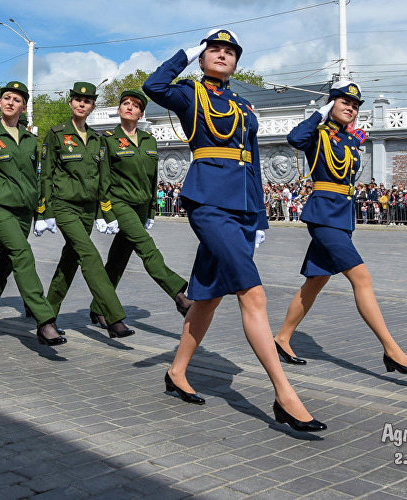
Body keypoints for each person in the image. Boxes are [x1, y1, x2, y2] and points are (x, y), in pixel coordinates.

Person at [144, 29, 325, 431]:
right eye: (215, 50)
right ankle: (284, 394)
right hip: (208, 202)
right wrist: (186, 54)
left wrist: (259, 216)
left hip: (242, 206)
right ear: (203, 57)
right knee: (252, 292)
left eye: (230, 52)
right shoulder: (190, 94)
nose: (222, 55)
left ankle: (176, 372)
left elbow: (253, 160)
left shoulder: (243, 105)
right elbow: (153, 85)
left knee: (206, 296)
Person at [274, 80, 407, 379]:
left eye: (355, 105)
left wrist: (351, 137)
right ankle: (391, 349)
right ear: (332, 104)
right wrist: (320, 114)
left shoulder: (349, 140)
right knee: (362, 278)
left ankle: (281, 338)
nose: (351, 107)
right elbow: (294, 138)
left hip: (341, 217)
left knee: (315, 283)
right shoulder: (318, 134)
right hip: (323, 216)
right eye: (344, 102)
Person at [88, 89, 192, 328]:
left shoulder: (149, 141)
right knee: (147, 248)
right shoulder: (108, 140)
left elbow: (152, 177)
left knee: (117, 260)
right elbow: (102, 178)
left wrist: (151, 210)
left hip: (140, 206)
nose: (129, 107)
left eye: (135, 105)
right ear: (118, 110)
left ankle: (98, 306)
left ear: (141, 113)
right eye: (125, 103)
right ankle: (178, 295)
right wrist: (104, 212)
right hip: (120, 204)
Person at [39, 81, 135, 339]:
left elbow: (104, 179)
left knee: (69, 261)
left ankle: (46, 318)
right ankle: (114, 317)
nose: (82, 104)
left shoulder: (97, 139)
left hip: (88, 210)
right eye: (78, 100)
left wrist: (106, 213)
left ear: (93, 106)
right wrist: (43, 211)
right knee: (89, 256)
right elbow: (45, 175)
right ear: (70, 102)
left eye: (88, 101)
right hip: (65, 207)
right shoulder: (56, 134)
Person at [0, 81, 65, 345]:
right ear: (0, 103)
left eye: (16, 99)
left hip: (24, 211)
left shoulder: (30, 140)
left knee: (2, 265)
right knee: (23, 255)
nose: (10, 102)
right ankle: (45, 319)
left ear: (23, 106)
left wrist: (41, 210)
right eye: (6, 98)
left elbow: (37, 177)